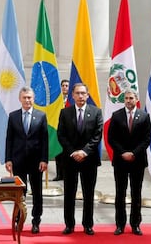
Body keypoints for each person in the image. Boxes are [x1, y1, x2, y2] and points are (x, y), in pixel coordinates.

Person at [57, 83, 103, 236]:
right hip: (70, 160)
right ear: (73, 95)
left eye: (83, 93)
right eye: (78, 93)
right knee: (69, 193)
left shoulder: (96, 112)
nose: (81, 96)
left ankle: (88, 224)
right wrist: (73, 152)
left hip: (89, 160)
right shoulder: (65, 113)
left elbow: (97, 136)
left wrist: (84, 152)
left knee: (88, 193)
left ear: (88, 95)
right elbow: (61, 135)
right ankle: (69, 224)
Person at [5, 86, 48, 234]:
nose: (27, 100)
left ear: (33, 99)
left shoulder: (41, 116)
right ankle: (19, 220)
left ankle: (36, 221)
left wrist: (44, 159)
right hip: (18, 160)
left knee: (37, 192)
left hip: (36, 161)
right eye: (24, 97)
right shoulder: (13, 116)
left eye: (29, 97)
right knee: (20, 193)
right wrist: (8, 158)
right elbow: (9, 138)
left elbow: (44, 140)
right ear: (20, 99)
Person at [108, 90, 151, 236]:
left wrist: (134, 153)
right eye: (126, 98)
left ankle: (135, 224)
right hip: (120, 161)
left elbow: (146, 139)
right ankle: (120, 224)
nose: (128, 100)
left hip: (137, 161)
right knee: (120, 193)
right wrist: (123, 153)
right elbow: (111, 138)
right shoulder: (116, 116)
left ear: (136, 99)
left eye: (131, 98)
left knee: (136, 193)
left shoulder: (144, 116)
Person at [52, 79, 69, 181]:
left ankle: (66, 174)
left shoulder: (71, 100)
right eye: (63, 85)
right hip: (57, 128)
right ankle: (59, 174)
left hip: (68, 130)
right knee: (58, 154)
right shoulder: (57, 100)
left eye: (67, 85)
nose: (64, 87)